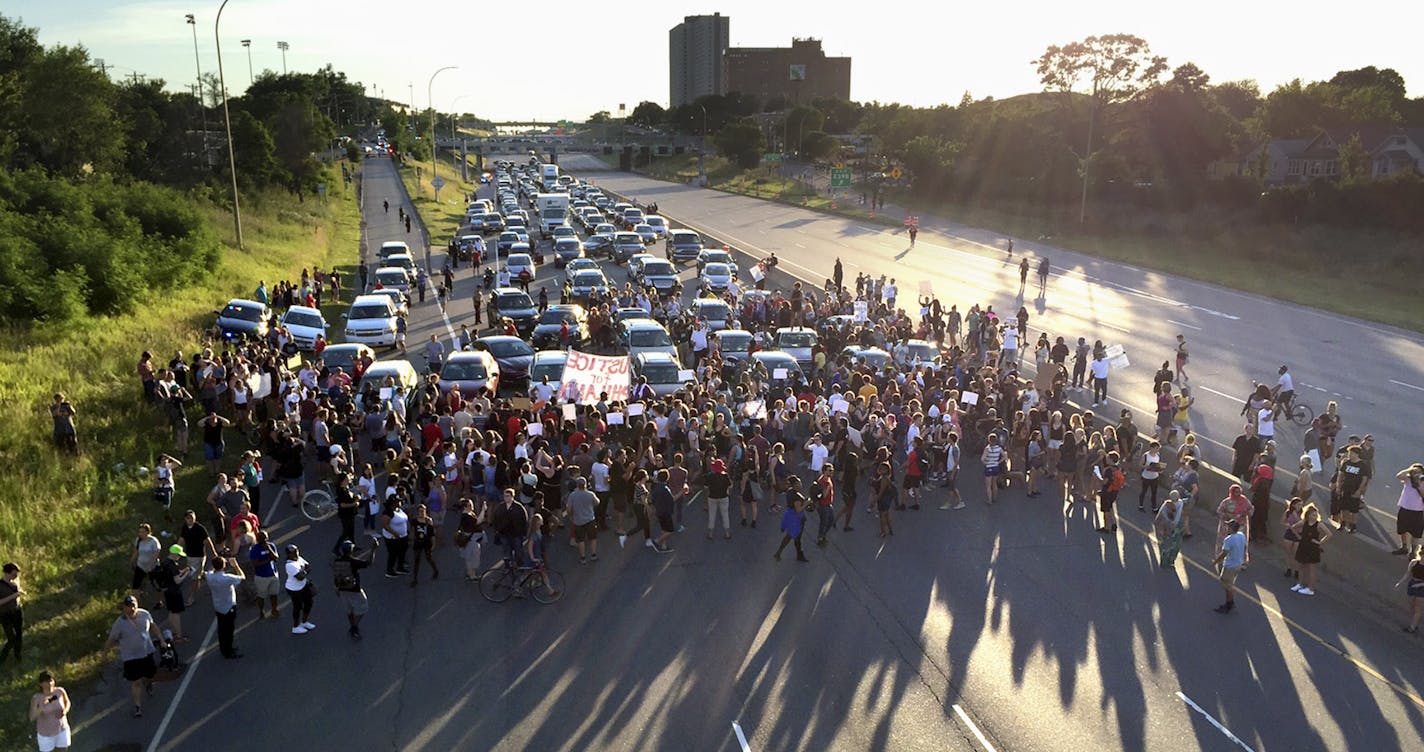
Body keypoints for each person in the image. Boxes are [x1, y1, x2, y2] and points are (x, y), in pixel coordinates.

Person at [104, 595, 163, 718]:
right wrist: (105, 653)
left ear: (137, 605)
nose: (131, 609)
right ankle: (138, 706)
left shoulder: (145, 614)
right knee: (136, 682)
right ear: (124, 608)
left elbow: (153, 627)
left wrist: (161, 639)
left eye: (133, 606)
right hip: (131, 657)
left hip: (147, 652)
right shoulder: (119, 623)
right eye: (127, 606)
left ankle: (149, 683)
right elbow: (112, 639)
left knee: (150, 675)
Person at [333, 538, 375, 640]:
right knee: (362, 607)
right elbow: (368, 563)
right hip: (354, 589)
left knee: (349, 609)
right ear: (351, 550)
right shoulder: (353, 562)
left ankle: (352, 625)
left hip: (342, 589)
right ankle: (354, 627)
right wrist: (373, 549)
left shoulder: (336, 561)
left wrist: (336, 588)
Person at [205, 555, 245, 659]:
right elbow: (242, 577)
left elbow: (208, 571)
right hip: (228, 606)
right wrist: (235, 565)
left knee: (222, 629)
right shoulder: (227, 578)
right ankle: (228, 650)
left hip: (218, 606)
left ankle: (224, 648)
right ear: (223, 566)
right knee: (229, 630)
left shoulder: (209, 576)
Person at [1290, 504, 1330, 596]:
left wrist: (1319, 542)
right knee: (1300, 566)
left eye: (1316, 515)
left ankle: (1310, 588)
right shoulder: (1304, 522)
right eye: (1313, 515)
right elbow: (1293, 527)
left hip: (1313, 548)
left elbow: (1329, 534)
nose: (1315, 517)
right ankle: (1299, 584)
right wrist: (1299, 537)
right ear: (1308, 515)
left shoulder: (1319, 524)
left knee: (1312, 569)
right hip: (1303, 545)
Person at [31, 671, 71, 752]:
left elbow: (67, 702)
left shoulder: (60, 691)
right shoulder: (36, 698)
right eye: (46, 682)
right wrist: (41, 707)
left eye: (51, 680)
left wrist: (65, 711)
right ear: (40, 684)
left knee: (63, 750)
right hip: (46, 735)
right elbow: (32, 717)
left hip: (62, 730)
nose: (49, 684)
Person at [1213, 520, 1247, 614]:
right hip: (1238, 563)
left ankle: (1228, 604)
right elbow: (1244, 547)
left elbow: (1224, 553)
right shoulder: (1241, 535)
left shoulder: (1229, 539)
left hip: (1230, 565)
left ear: (1231, 529)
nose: (1226, 528)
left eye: (1228, 527)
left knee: (1227, 585)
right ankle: (1230, 602)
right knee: (1230, 584)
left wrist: (1215, 562)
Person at [283, 544, 317, 635]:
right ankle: (295, 627)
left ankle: (304, 622)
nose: (296, 554)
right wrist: (304, 572)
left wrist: (303, 572)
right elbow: (300, 577)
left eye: (296, 551)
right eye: (293, 552)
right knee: (297, 607)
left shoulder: (299, 558)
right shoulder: (289, 565)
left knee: (309, 603)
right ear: (288, 554)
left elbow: (308, 566)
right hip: (294, 589)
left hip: (303, 586)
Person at [248, 530, 282, 620]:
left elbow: (276, 558)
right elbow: (255, 564)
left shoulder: (271, 546)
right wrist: (268, 560)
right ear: (258, 539)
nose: (265, 541)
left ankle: (274, 609)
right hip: (261, 577)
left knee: (274, 594)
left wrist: (268, 549)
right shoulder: (255, 549)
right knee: (261, 596)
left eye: (266, 538)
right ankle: (261, 611)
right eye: (262, 539)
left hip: (273, 574)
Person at [773, 480, 809, 562]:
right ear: (795, 485)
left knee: (790, 536)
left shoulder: (790, 492)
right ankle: (798, 555)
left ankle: (779, 552)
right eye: (799, 483)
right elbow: (798, 510)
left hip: (790, 515)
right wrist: (807, 503)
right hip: (797, 519)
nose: (801, 485)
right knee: (794, 536)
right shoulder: (796, 496)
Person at [1393, 464, 1424, 556]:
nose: (1417, 474)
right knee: (1402, 529)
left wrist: (1419, 485)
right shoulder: (1408, 480)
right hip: (1405, 508)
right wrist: (1409, 470)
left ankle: (1413, 551)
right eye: (1415, 472)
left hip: (1418, 511)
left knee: (1416, 533)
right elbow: (1398, 476)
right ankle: (1404, 547)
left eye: (1419, 472)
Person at [568, 477, 600, 564]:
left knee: (580, 539)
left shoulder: (573, 495)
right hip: (590, 519)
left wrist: (571, 516)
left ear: (577, 485)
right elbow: (597, 502)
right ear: (585, 485)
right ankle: (593, 555)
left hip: (578, 520)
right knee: (592, 537)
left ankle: (583, 558)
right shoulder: (590, 494)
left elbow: (569, 508)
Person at [456, 498, 487, 581]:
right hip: (471, 540)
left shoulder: (469, 514)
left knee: (470, 556)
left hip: (471, 539)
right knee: (472, 557)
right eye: (470, 505)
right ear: (465, 507)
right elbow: (478, 521)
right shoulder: (466, 516)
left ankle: (470, 573)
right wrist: (483, 510)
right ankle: (472, 575)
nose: (472, 506)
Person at [1154, 491, 1186, 568]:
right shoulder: (1180, 503)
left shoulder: (1166, 505)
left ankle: (1164, 562)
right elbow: (1177, 518)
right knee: (1175, 546)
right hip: (1175, 529)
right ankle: (1171, 561)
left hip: (1167, 529)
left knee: (1166, 546)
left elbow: (1160, 516)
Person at [1, 562, 24, 664]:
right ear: (7, 573)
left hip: (17, 611)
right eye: (14, 574)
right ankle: (2, 658)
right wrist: (14, 596)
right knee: (12, 638)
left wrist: (20, 594)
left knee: (19, 635)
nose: (16, 577)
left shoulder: (15, 581)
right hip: (4, 614)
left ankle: (17, 655)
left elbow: (17, 593)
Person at [1396, 550, 1424, 634]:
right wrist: (1400, 582)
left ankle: (1412, 627)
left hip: (1422, 587)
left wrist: (1419, 585)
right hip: (1412, 585)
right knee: (1411, 606)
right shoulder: (1414, 562)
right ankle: (1415, 622)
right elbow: (1407, 574)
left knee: (1418, 608)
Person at [706, 459, 733, 541]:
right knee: (725, 515)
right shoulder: (725, 476)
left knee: (712, 515)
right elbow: (730, 486)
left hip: (712, 497)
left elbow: (706, 487)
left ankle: (710, 533)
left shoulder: (710, 476)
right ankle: (727, 533)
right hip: (724, 497)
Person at [814, 463, 837, 546]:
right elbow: (824, 495)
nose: (832, 472)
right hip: (823, 505)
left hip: (828, 504)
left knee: (831, 520)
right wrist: (827, 487)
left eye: (832, 470)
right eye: (830, 470)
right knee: (824, 522)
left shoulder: (828, 478)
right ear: (824, 471)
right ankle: (820, 538)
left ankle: (823, 535)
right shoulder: (822, 481)